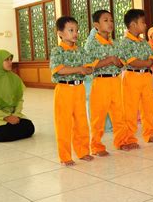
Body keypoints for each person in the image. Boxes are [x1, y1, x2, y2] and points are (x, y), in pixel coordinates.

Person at [50, 16, 95, 166]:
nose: (75, 33)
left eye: (76, 30)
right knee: (64, 124)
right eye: (71, 30)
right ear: (60, 33)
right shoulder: (58, 51)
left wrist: (88, 69)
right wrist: (79, 69)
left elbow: (89, 67)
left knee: (81, 122)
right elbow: (60, 70)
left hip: (79, 89)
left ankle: (83, 151)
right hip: (64, 89)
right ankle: (65, 156)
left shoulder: (80, 50)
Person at [85, 9, 132, 153]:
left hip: (116, 81)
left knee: (119, 114)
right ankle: (96, 146)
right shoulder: (91, 44)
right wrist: (110, 60)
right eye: (105, 20)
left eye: (111, 20)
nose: (110, 23)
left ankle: (121, 141)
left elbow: (123, 60)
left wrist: (121, 62)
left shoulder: (115, 43)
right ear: (96, 25)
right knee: (98, 116)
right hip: (101, 82)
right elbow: (89, 65)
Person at [117, 9, 153, 146]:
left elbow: (152, 56)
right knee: (130, 109)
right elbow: (131, 61)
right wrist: (146, 63)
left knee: (148, 108)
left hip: (145, 77)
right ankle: (128, 138)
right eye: (142, 22)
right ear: (132, 25)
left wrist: (148, 62)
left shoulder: (143, 42)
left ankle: (149, 134)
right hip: (132, 76)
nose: (145, 24)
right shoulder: (125, 42)